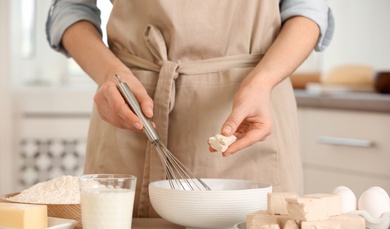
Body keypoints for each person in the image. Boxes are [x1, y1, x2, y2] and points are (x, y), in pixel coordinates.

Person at [46, 0, 334, 217]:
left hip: (252, 105)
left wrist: (263, 81)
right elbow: (71, 8)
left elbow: (307, 9)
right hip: (132, 104)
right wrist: (109, 74)